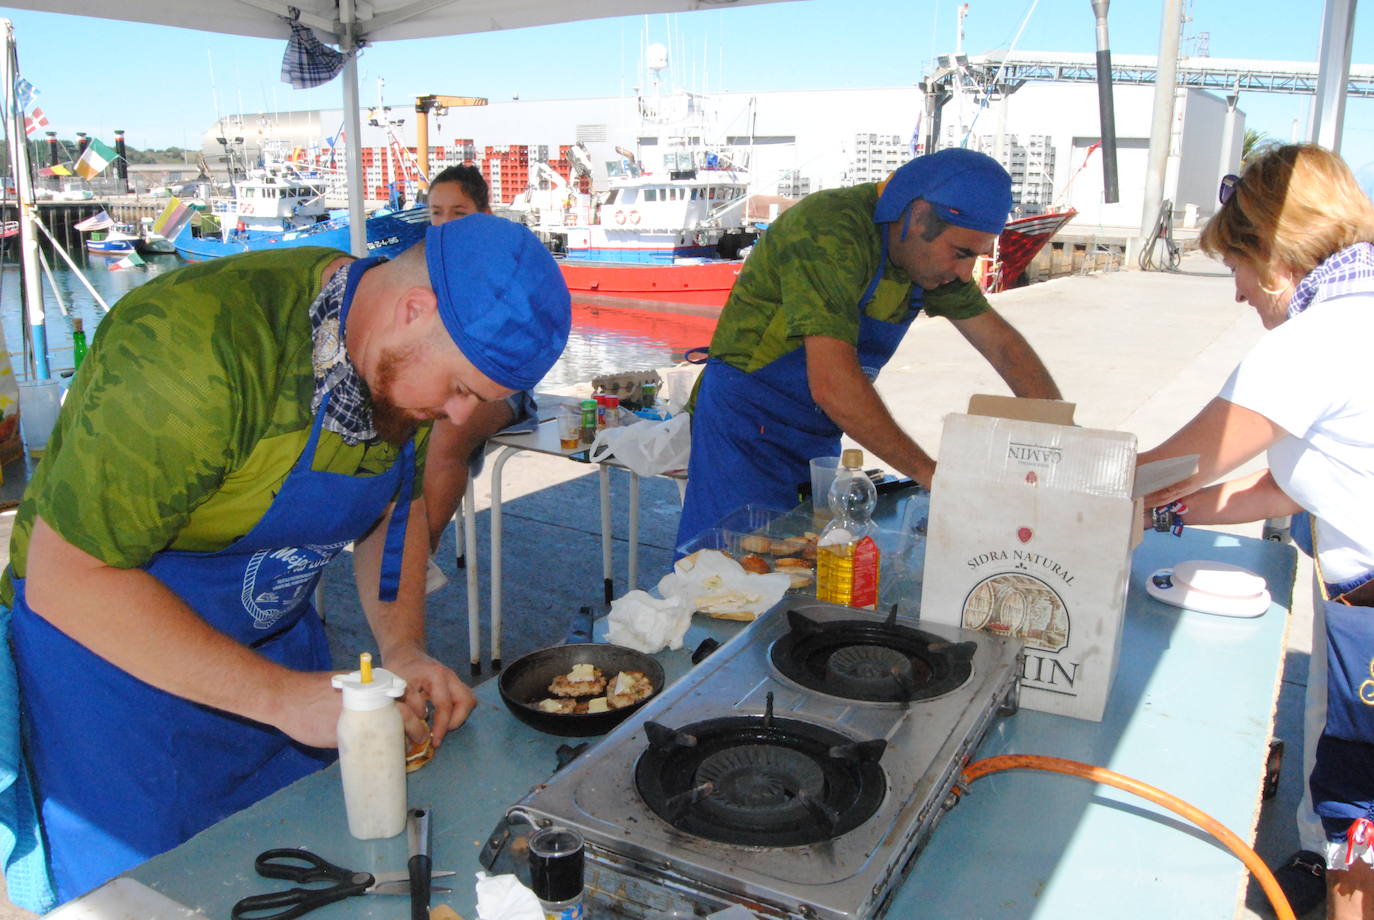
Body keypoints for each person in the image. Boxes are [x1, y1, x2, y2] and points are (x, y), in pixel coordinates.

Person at [0, 213, 571, 907]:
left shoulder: (403, 372)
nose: (456, 419)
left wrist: (403, 647)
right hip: (116, 690)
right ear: (413, 309)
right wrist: (279, 697)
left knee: (298, 864)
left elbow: (397, 514)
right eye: (459, 390)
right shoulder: (194, 349)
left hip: (276, 657)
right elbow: (67, 579)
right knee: (154, 898)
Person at [1136, 144, 1374, 919]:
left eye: (1235, 267)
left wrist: (1063, 486)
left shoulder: (1315, 341)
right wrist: (1173, 510)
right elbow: (1288, 480)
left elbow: (1171, 463)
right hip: (1352, 599)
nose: (1238, 295)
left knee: (1356, 825)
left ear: (1272, 256)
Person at [676, 147, 1061, 547]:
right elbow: (833, 385)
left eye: (976, 257)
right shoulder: (828, 229)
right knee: (721, 572)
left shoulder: (924, 258)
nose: (965, 273)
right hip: (744, 427)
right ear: (916, 216)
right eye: (961, 253)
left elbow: (1003, 347)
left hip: (817, 433)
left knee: (796, 562)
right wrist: (932, 476)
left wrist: (1062, 446)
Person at [420, 166, 540, 567]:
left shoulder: (507, 266)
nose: (446, 223)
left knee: (447, 435)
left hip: (499, 383)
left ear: (484, 215)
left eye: (459, 212)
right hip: (438, 378)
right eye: (436, 212)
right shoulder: (424, 262)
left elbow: (523, 342)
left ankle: (421, 556)